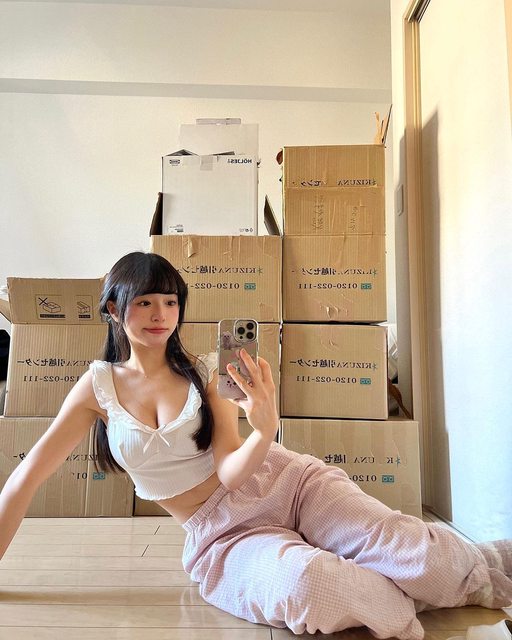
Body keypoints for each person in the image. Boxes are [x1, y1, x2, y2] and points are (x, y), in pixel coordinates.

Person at [0, 251, 511, 640]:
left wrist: (264, 429)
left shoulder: (204, 373)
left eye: (171, 302)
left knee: (421, 556)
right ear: (114, 308)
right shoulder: (97, 388)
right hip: (222, 536)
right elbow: (26, 477)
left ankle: (460, 570)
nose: (161, 314)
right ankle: (411, 594)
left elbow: (230, 469)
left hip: (291, 485)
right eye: (145, 301)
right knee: (312, 586)